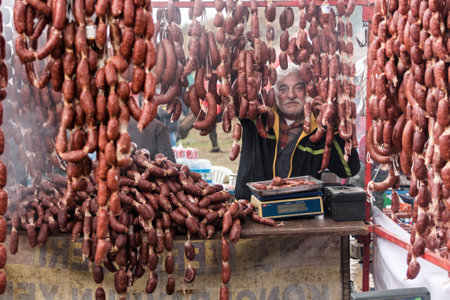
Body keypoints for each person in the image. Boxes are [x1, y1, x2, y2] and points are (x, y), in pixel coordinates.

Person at [235, 66, 361, 200]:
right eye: (283, 89)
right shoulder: (258, 117)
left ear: (307, 91)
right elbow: (237, 84)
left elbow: (349, 169)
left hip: (300, 215)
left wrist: (333, 123)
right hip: (250, 211)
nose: (291, 95)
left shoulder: (320, 129)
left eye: (298, 88)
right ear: (275, 92)